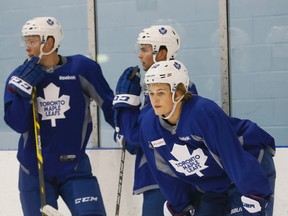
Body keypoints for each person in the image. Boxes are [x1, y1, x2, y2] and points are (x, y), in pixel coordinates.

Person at [115, 59, 276, 215]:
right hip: (211, 184)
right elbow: (165, 172)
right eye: (150, 93)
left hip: (249, 165)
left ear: (178, 93)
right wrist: (180, 207)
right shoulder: (149, 124)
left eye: (161, 92)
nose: (154, 99)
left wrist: (256, 194)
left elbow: (232, 156)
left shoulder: (202, 113)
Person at [4, 17, 114, 216]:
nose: (27, 47)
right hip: (35, 171)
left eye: (33, 41)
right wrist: (23, 93)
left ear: (50, 42)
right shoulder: (18, 77)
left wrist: (123, 129)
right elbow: (18, 124)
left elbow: (109, 103)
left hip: (75, 166)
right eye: (26, 41)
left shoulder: (82, 68)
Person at [114, 25, 197, 215]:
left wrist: (125, 103)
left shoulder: (173, 90)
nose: (139, 55)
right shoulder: (153, 90)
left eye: (144, 49)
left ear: (162, 53)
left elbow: (134, 139)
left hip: (168, 180)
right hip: (160, 178)